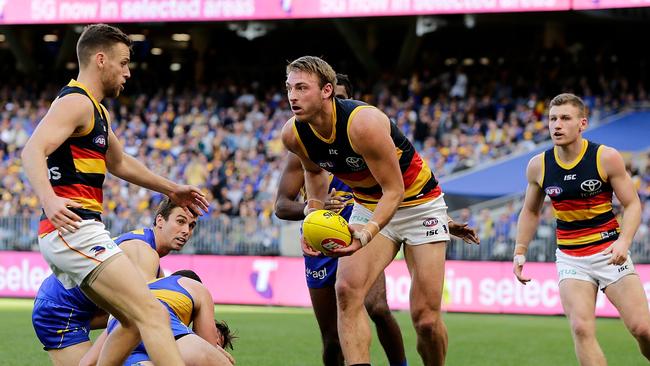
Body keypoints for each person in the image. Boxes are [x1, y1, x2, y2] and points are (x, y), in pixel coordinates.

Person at [21, 23, 209, 366]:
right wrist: (49, 200)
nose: (127, 72)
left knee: (131, 320)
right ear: (101, 59)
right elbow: (32, 150)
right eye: (123, 63)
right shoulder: (75, 101)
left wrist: (173, 189)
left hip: (80, 231)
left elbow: (119, 162)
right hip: (74, 230)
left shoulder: (97, 111)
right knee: (151, 311)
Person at [281, 56, 478, 366]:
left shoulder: (363, 123)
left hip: (419, 203)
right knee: (346, 291)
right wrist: (314, 219)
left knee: (425, 320)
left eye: (302, 87)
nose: (292, 95)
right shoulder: (294, 133)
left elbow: (395, 190)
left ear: (327, 91)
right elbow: (315, 173)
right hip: (369, 203)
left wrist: (366, 233)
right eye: (290, 87)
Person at [275, 73, 407, 366]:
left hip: (361, 234)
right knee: (331, 339)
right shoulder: (303, 147)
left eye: (343, 99)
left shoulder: (366, 137)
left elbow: (400, 189)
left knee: (378, 308)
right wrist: (313, 211)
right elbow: (282, 206)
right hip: (321, 241)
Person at [513, 93, 650, 365]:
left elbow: (633, 204)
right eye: (553, 119)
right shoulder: (538, 165)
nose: (557, 125)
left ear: (582, 123)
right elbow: (530, 211)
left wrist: (623, 242)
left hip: (610, 252)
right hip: (571, 259)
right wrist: (520, 251)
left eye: (565, 118)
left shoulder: (605, 157)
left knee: (643, 329)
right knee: (581, 329)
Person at [31, 196, 198, 365]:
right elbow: (135, 315)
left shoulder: (147, 250)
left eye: (191, 226)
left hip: (78, 305)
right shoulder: (143, 252)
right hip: (60, 310)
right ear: (160, 220)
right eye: (180, 221)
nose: (186, 231)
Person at [81, 270, 235, 366]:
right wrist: (220, 353)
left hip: (123, 333)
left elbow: (88, 363)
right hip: (159, 322)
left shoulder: (142, 292)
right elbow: (207, 344)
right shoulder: (196, 287)